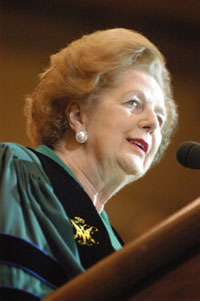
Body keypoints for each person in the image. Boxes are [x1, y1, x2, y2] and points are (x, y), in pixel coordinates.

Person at [0, 28, 178, 300]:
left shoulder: (118, 247)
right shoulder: (18, 171)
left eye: (160, 118)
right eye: (134, 103)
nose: (152, 123)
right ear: (77, 115)